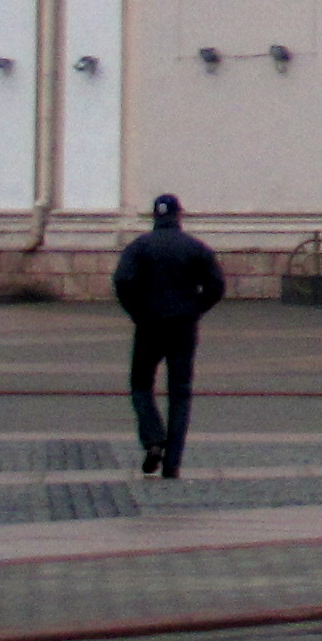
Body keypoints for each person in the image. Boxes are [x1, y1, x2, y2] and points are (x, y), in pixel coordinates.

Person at [113, 193, 223, 479]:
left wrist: (136, 311)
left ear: (154, 217)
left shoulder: (139, 247)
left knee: (140, 385)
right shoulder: (195, 248)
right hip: (183, 326)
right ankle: (172, 463)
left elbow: (122, 280)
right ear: (179, 216)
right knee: (180, 393)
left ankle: (152, 439)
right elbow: (217, 284)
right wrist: (196, 308)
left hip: (148, 323)